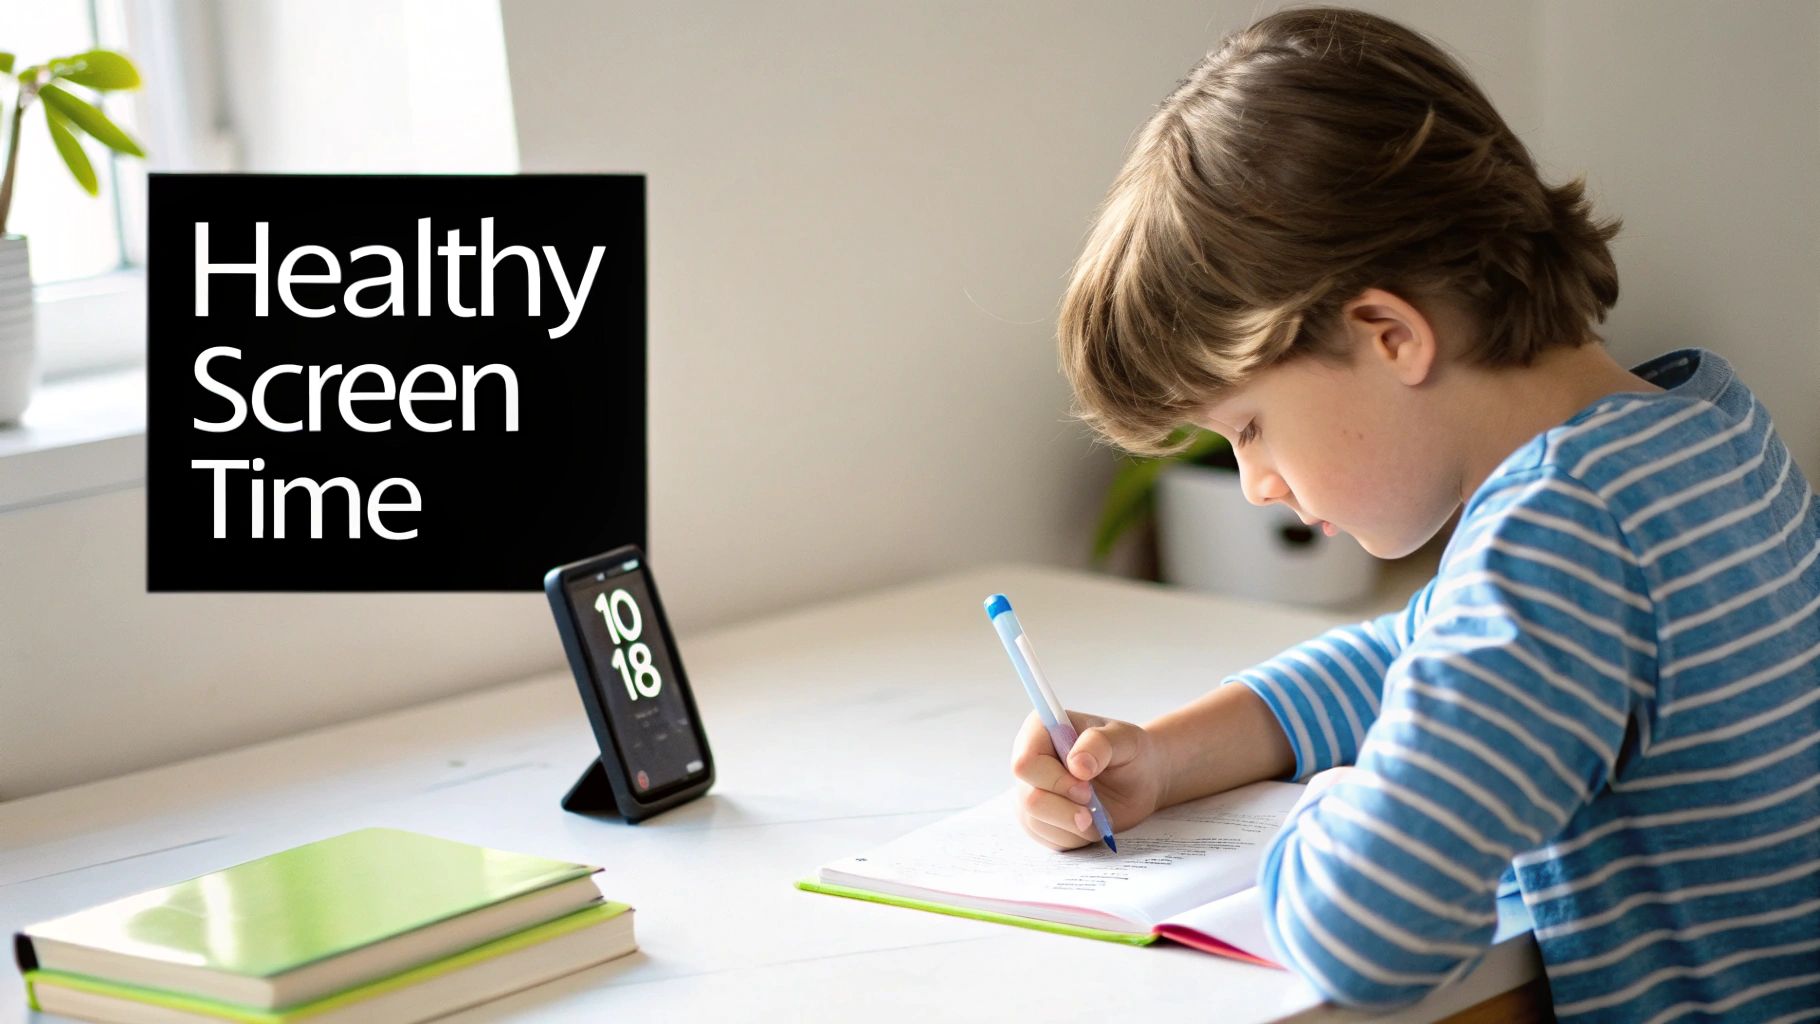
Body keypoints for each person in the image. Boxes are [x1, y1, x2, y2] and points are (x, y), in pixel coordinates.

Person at [1009, 7, 1820, 1021]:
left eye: (1250, 426)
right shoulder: (1703, 433)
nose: (1254, 482)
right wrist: (1169, 755)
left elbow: (1372, 933)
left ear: (1388, 335)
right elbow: (1428, 646)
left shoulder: (1562, 533)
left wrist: (1336, 802)